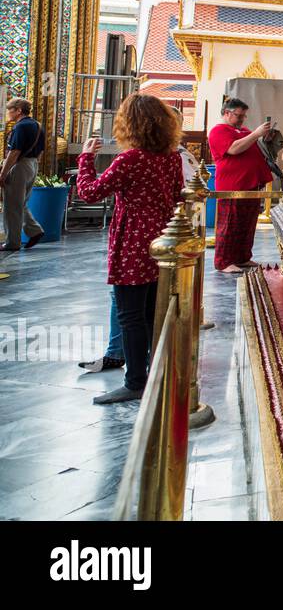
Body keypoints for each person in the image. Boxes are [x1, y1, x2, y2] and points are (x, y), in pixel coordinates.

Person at [76, 93, 184, 404]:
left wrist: (85, 159)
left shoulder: (131, 158)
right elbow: (177, 195)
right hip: (161, 240)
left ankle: (135, 381)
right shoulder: (171, 157)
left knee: (130, 315)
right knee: (150, 312)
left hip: (134, 242)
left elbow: (90, 193)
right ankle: (153, 374)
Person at [208, 97, 272, 273]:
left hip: (249, 184)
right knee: (230, 224)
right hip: (232, 185)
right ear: (227, 113)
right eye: (238, 115)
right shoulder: (218, 131)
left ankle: (242, 257)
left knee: (247, 223)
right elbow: (234, 149)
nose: (242, 119)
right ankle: (223, 261)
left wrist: (264, 137)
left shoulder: (243, 131)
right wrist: (255, 134)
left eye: (244, 116)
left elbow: (252, 145)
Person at [1, 98, 45, 252]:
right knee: (21, 203)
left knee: (11, 206)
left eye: (10, 109)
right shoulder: (37, 125)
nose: (8, 113)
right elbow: (40, 151)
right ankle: (35, 230)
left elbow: (14, 153)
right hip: (33, 164)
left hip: (19, 166)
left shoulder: (20, 126)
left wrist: (3, 173)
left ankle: (12, 242)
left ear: (18, 110)